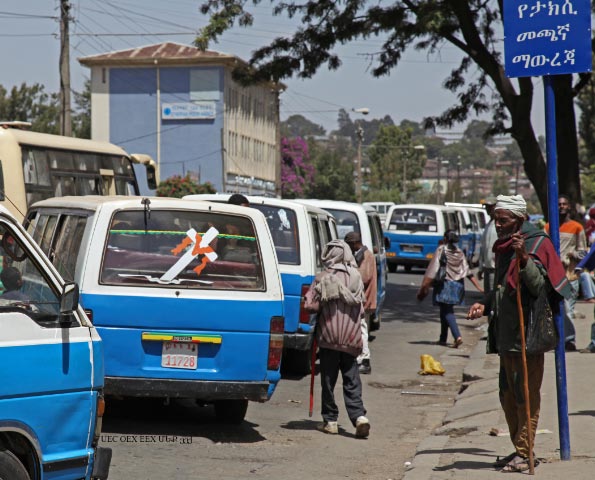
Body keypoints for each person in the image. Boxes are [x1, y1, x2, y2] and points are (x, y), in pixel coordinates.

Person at [467, 194, 572, 473]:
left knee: (526, 396)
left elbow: (538, 287)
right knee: (507, 395)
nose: (498, 225)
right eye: (496, 220)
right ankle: (519, 449)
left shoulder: (537, 244)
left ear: (520, 220)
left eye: (504, 220)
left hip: (528, 336)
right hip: (506, 336)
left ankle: (525, 454)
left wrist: (524, 258)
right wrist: (485, 303)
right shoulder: (503, 247)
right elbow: (502, 288)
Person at [304, 239, 370, 438]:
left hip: (328, 337)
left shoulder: (323, 277)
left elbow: (310, 306)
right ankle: (358, 417)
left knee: (328, 379)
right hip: (351, 337)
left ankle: (331, 421)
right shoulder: (356, 277)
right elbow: (362, 309)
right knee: (351, 379)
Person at [417, 230, 483, 347]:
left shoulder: (441, 250)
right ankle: (443, 338)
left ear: (445, 239)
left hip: (445, 285)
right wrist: (478, 287)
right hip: (458, 285)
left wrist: (424, 286)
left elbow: (433, 269)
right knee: (444, 310)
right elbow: (467, 272)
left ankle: (457, 336)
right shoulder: (460, 252)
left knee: (447, 312)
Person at [544, 194, 588, 351]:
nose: (561, 206)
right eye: (558, 204)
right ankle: (557, 338)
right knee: (552, 308)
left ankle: (568, 340)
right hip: (552, 274)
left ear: (569, 207)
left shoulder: (577, 227)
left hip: (569, 275)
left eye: (564, 204)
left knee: (568, 309)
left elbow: (583, 252)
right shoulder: (549, 226)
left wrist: (570, 255)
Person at [344, 231, 377, 375]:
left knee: (362, 329)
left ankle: (365, 359)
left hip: (365, 299)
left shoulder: (366, 255)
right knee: (360, 328)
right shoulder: (364, 254)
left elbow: (363, 277)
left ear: (354, 243)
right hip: (364, 299)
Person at [478, 196, 498, 293]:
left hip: (496, 268)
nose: (488, 209)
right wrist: (481, 267)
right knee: (488, 296)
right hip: (487, 267)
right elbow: (483, 248)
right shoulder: (488, 225)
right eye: (486, 207)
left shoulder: (500, 224)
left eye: (490, 207)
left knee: (494, 296)